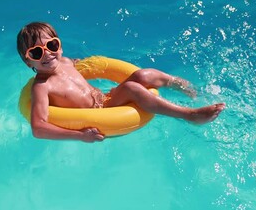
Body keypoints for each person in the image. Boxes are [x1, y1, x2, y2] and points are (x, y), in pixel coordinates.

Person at [16, 22, 225, 142]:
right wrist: (79, 135)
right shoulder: (42, 87)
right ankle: (189, 115)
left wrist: (93, 65)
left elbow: (83, 67)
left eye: (51, 45)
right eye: (36, 52)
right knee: (132, 88)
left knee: (145, 75)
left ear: (60, 46)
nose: (48, 54)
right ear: (28, 62)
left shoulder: (66, 62)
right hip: (100, 113)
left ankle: (192, 90)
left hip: (106, 98)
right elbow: (39, 128)